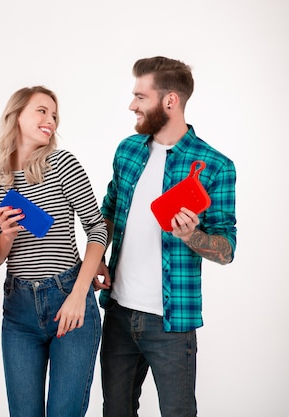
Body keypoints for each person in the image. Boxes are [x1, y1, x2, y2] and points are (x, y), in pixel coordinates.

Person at [97, 56, 237, 417]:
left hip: (171, 323)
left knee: (177, 412)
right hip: (119, 314)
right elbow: (108, 214)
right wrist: (97, 257)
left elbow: (227, 249)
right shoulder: (128, 150)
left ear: (169, 101)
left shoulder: (215, 165)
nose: (132, 105)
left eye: (140, 97)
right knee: (116, 410)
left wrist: (193, 237)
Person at [0, 86, 108, 417]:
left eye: (53, 114)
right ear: (16, 115)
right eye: (41, 111)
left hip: (68, 296)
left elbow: (97, 228)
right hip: (18, 308)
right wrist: (6, 235)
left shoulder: (62, 163)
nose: (50, 119)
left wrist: (79, 295)